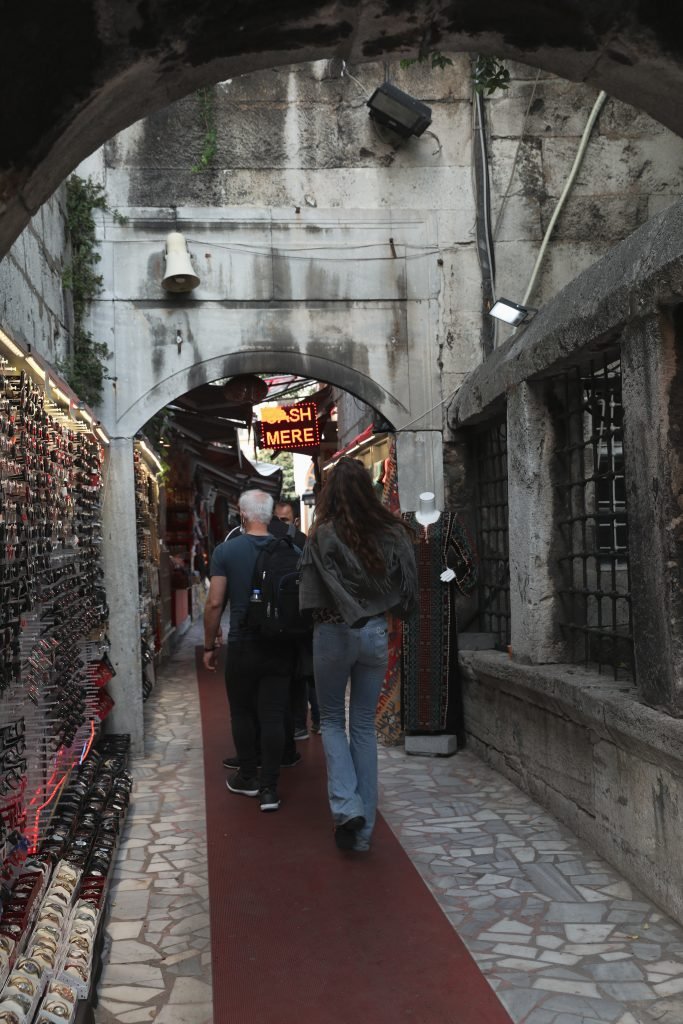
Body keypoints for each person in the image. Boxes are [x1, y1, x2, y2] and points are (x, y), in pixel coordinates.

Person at [299, 457, 418, 852]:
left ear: (329, 493)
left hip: (333, 633)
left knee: (332, 720)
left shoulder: (322, 535)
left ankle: (347, 807)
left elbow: (312, 596)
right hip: (375, 633)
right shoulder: (390, 531)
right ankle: (362, 834)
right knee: (363, 726)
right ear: (368, 490)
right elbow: (408, 583)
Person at [203, 489, 297, 812]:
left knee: (242, 711)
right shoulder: (289, 547)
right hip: (280, 644)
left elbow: (215, 603)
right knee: (273, 714)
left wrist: (209, 645)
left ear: (242, 515)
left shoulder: (226, 552)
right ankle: (270, 789)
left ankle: (247, 775)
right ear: (270, 516)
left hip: (243, 643)